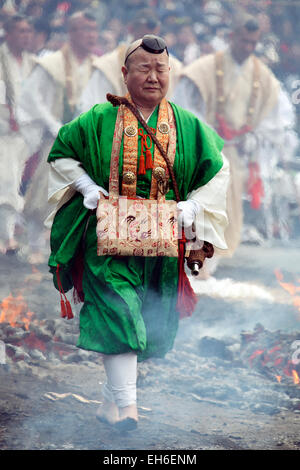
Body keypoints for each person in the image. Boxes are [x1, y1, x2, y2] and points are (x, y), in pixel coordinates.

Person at [46, 34, 229, 430]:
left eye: (161, 69)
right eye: (144, 68)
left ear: (171, 75)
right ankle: (129, 411)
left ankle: (110, 405)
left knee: (145, 322)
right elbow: (61, 153)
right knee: (118, 310)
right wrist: (87, 188)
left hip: (162, 247)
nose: (153, 77)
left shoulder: (188, 125)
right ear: (125, 73)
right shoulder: (97, 119)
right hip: (106, 243)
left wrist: (192, 206)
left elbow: (218, 172)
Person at [174, 12, 298, 265]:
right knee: (199, 205)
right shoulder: (204, 67)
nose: (249, 47)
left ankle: (211, 263)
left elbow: (280, 116)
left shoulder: (262, 75)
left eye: (253, 42)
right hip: (203, 152)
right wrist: (204, 135)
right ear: (232, 37)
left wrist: (258, 136)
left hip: (235, 154)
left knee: (227, 210)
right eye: (244, 41)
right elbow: (182, 106)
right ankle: (192, 263)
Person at [17, 10, 99, 264]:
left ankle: (69, 249)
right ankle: (33, 245)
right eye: (86, 30)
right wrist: (54, 125)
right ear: (72, 33)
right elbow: (31, 97)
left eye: (94, 30)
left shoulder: (96, 66)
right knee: (44, 193)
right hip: (57, 138)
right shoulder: (51, 63)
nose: (91, 35)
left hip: (85, 141)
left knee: (79, 197)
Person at [77, 9, 182, 114]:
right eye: (145, 27)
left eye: (153, 27)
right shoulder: (108, 65)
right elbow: (90, 109)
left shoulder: (174, 66)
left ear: (158, 29)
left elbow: (179, 110)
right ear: (131, 29)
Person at [0, 14, 35, 254]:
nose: (25, 36)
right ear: (9, 33)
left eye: (27, 31)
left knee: (18, 184)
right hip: (4, 130)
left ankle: (10, 234)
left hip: (27, 133)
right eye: (20, 31)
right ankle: (7, 237)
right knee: (7, 183)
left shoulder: (32, 62)